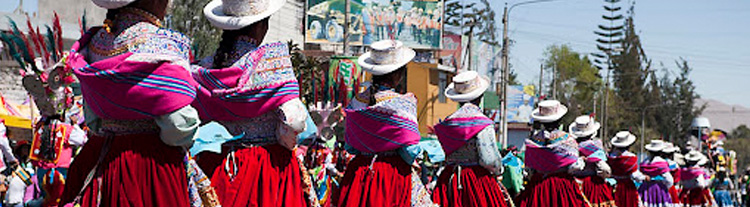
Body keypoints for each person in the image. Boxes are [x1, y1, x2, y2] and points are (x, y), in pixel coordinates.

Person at [60, 0, 202, 205]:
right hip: (149, 165)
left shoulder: (94, 42)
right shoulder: (164, 44)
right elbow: (178, 124)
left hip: (98, 156)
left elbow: (92, 119)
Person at [194, 0, 313, 206]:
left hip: (220, 167)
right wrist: (286, 143)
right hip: (267, 168)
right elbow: (294, 121)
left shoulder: (206, 68)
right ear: (261, 25)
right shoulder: (273, 64)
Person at [334, 40, 436, 207]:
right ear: (398, 74)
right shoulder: (404, 104)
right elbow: (409, 152)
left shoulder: (356, 102)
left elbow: (350, 147)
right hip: (391, 176)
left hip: (359, 174)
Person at [431, 71, 509, 207]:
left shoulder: (447, 123)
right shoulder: (482, 123)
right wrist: (498, 170)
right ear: (480, 96)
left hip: (450, 180)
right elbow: (489, 159)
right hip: (475, 181)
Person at [516, 100, 590, 207]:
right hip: (562, 187)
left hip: (538, 187)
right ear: (559, 120)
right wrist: (581, 161)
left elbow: (529, 169)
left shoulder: (532, 141)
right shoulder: (567, 140)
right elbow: (574, 167)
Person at [569, 115, 615, 207]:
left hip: (575, 184)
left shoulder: (572, 145)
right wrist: (606, 176)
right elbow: (603, 167)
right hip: (593, 185)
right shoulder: (595, 146)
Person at [608, 131, 646, 207]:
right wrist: (644, 177)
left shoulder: (611, 156)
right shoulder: (630, 158)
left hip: (613, 185)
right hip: (627, 187)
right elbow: (634, 175)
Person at [639, 140, 675, 207]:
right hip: (658, 190)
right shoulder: (661, 163)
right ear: (661, 152)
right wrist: (664, 187)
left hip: (645, 189)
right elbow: (669, 180)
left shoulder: (644, 162)